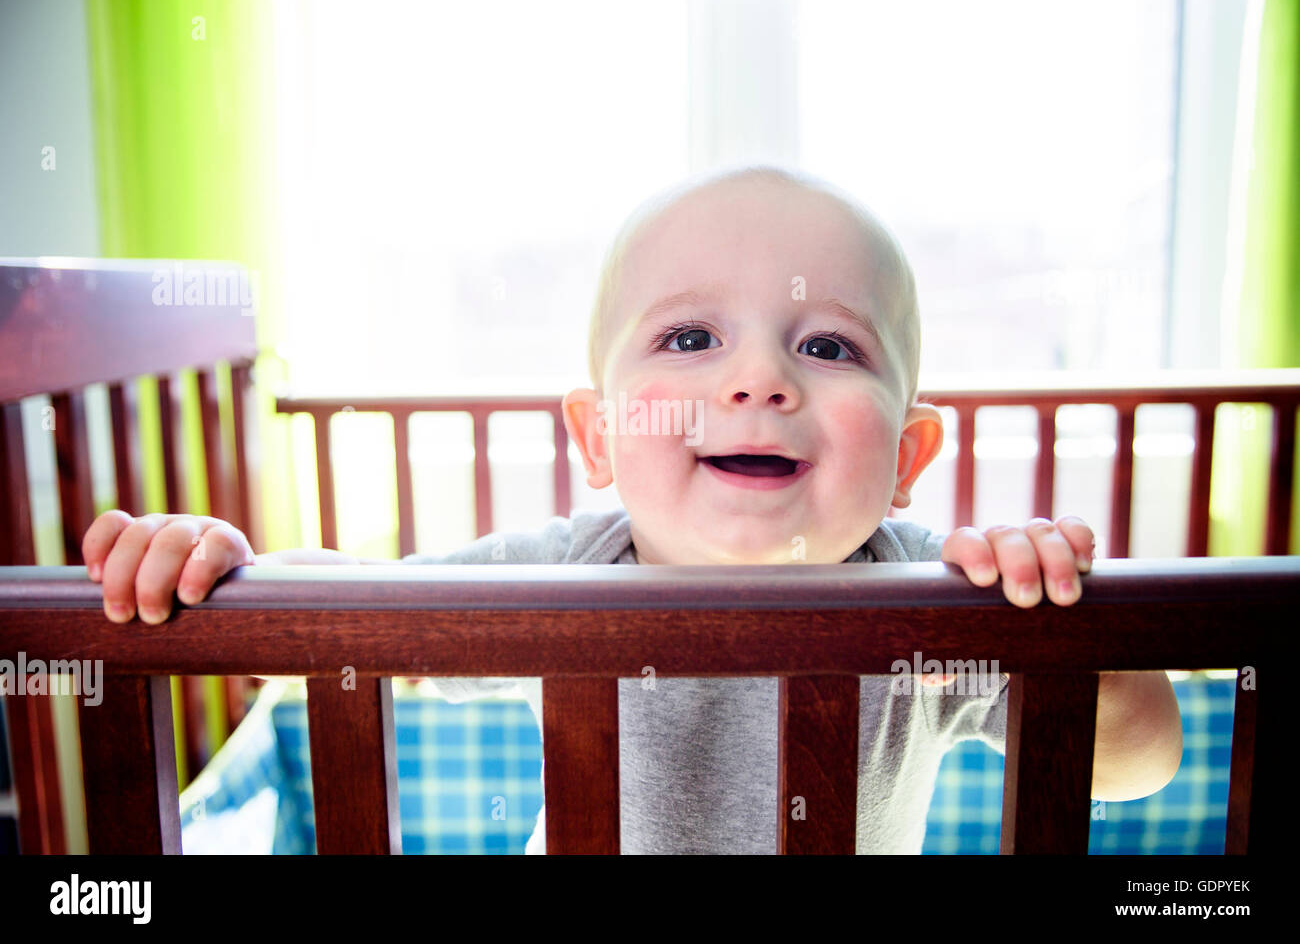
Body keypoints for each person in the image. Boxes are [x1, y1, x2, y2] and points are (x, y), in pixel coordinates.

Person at [81, 165, 1183, 853]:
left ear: (909, 454)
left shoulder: (938, 600)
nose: (758, 380)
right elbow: (373, 619)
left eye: (828, 345)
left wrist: (1069, 638)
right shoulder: (571, 568)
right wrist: (233, 569)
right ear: (600, 438)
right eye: (690, 338)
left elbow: (1137, 764)